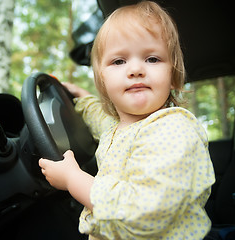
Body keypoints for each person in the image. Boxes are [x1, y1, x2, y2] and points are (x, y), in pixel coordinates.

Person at [38, 1, 215, 239]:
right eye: (118, 61)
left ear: (173, 76)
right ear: (103, 80)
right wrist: (81, 96)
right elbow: (101, 119)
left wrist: (73, 179)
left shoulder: (172, 129)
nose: (135, 69)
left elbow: (145, 212)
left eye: (152, 59)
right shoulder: (121, 128)